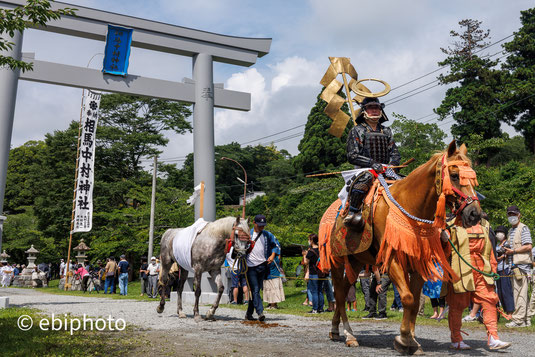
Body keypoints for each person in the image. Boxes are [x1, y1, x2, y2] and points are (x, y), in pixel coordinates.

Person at [442, 217, 511, 350]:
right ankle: (456, 339)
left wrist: (493, 268)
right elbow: (444, 252)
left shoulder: (485, 225)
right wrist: (444, 241)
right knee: (458, 304)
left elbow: (490, 249)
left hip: (482, 269)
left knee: (489, 300)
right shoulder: (451, 224)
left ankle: (493, 338)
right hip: (460, 269)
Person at [344, 97, 401, 229]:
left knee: (406, 181)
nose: (375, 110)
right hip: (364, 169)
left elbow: (394, 152)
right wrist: (371, 163)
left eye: (377, 108)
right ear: (364, 111)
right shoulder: (357, 130)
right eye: (371, 108)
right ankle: (353, 212)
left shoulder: (386, 131)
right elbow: (352, 155)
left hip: (387, 169)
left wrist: (393, 165)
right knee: (366, 179)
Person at [245, 214, 280, 321]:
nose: (262, 227)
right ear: (254, 223)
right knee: (255, 289)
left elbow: (276, 245)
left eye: (263, 225)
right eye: (259, 225)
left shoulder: (267, 235)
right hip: (250, 267)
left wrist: (273, 255)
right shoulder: (247, 235)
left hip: (263, 266)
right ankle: (260, 312)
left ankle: (248, 314)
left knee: (256, 291)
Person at [502, 205, 532, 328]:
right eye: (509, 214)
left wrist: (513, 251)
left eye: (513, 214)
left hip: (522, 266)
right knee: (518, 292)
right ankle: (524, 320)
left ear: (519, 215)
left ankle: (519, 320)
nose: (511, 216)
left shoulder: (523, 228)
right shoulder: (510, 230)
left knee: (520, 293)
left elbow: (528, 246)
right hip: (513, 266)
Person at [495, 225, 515, 314]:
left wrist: (502, 255)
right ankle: (505, 311)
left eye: (501, 232)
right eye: (497, 232)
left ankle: (510, 312)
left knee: (506, 291)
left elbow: (508, 253)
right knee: (500, 292)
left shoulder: (507, 243)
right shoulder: (497, 244)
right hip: (497, 270)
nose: (498, 234)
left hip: (505, 269)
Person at [304, 233, 324, 314]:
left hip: (313, 273)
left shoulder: (311, 251)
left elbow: (306, 262)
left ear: (312, 241)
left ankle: (315, 308)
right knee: (320, 291)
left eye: (309, 239)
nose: (308, 241)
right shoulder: (321, 250)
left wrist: (305, 254)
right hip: (321, 273)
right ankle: (320, 308)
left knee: (314, 291)